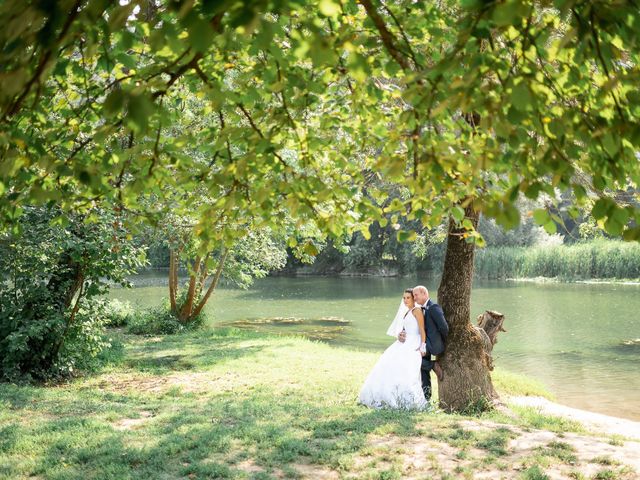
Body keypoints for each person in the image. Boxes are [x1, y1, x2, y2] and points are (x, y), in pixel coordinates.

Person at [358, 289, 428, 410]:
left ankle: (410, 399)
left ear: (413, 298)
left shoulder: (417, 311)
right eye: (404, 298)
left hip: (414, 343)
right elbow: (407, 328)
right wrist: (401, 334)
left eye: (408, 298)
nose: (405, 300)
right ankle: (389, 396)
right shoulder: (407, 312)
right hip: (405, 342)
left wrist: (422, 346)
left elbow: (422, 330)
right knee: (390, 365)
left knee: (409, 370)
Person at [398, 285, 448, 401]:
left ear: (424, 294)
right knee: (422, 370)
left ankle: (433, 365)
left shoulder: (433, 307)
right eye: (413, 296)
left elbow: (443, 327)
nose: (414, 298)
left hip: (433, 344)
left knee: (413, 358)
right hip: (424, 343)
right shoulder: (421, 309)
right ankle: (426, 397)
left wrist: (442, 342)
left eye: (416, 295)